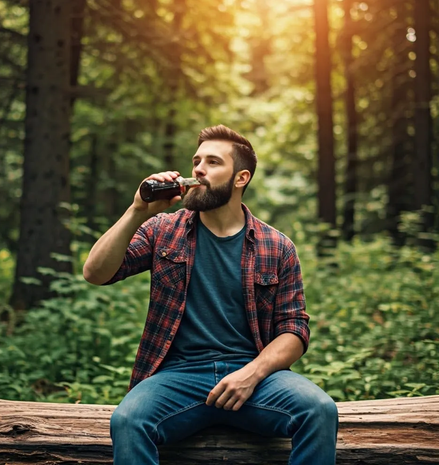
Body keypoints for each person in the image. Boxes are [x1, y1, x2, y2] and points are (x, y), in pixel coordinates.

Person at [83, 125, 338, 465]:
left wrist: (253, 373)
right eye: (196, 161)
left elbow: (294, 330)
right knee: (128, 420)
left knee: (320, 410)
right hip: (177, 377)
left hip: (253, 378)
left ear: (240, 178)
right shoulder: (162, 229)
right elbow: (96, 273)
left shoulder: (277, 246)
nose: (199, 170)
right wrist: (136, 212)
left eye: (213, 162)